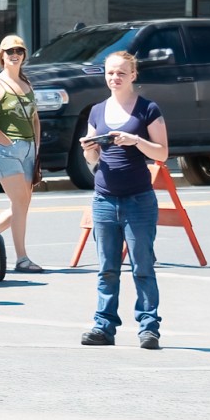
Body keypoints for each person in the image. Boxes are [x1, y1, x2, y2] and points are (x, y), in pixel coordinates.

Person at [80, 48, 168, 349]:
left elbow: (163, 153)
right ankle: (103, 325)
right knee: (107, 267)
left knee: (142, 265)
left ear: (133, 75)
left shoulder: (148, 109)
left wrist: (137, 141)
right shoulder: (96, 111)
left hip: (138, 199)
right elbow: (92, 157)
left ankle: (148, 326)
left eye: (120, 72)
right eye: (110, 73)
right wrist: (88, 148)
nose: (114, 77)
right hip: (105, 198)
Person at [0, 33, 43, 272]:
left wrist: (35, 147)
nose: (15, 55)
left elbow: (35, 118)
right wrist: (6, 142)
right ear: (1, 56)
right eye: (10, 52)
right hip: (6, 150)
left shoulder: (26, 83)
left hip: (28, 149)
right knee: (18, 202)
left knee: (22, 205)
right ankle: (22, 258)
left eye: (19, 51)